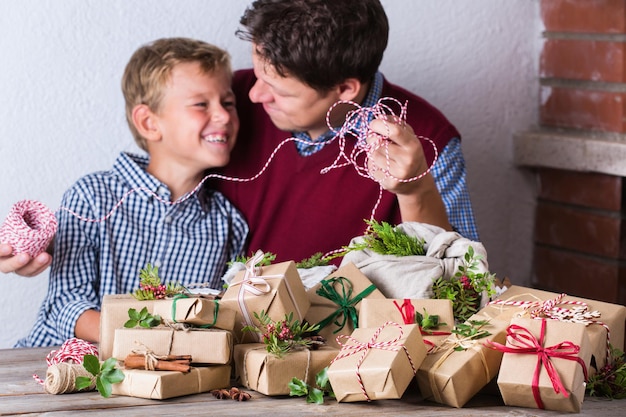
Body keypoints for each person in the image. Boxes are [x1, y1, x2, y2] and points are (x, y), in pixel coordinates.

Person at [0, 0, 477, 274]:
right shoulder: (227, 101)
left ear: (344, 91)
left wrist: (415, 190)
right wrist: (56, 242)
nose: (251, 96)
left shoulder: (428, 141)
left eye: (278, 87)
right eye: (257, 68)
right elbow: (151, 191)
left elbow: (461, 280)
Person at [14, 37, 248, 347]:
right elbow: (65, 305)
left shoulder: (228, 224)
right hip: (53, 371)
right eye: (201, 104)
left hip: (156, 380)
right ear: (149, 123)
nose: (223, 115)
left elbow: (218, 318)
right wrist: (149, 342)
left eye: (228, 102)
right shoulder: (92, 197)